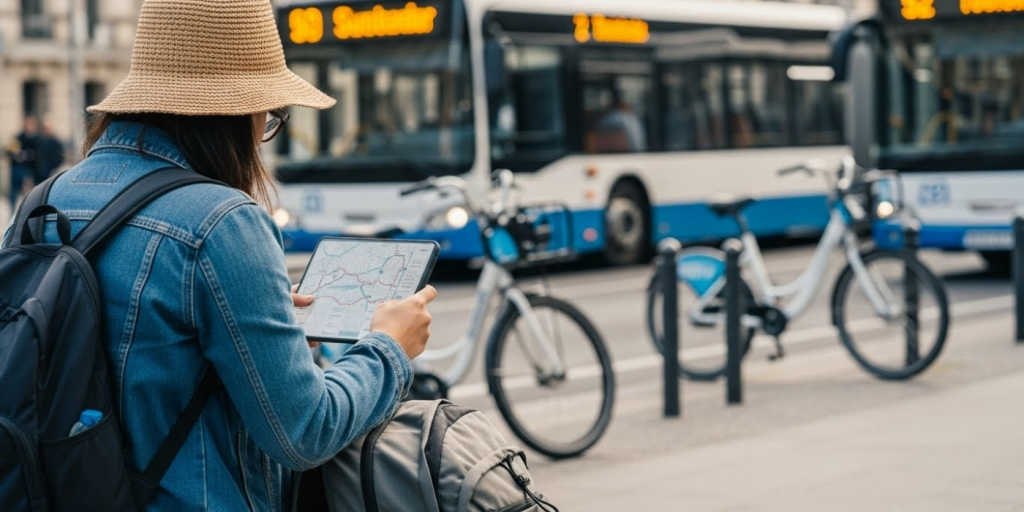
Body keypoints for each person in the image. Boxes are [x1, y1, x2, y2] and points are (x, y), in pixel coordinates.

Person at [1, 1, 435, 511]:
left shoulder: (45, 200)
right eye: (269, 115)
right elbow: (304, 432)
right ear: (233, 113)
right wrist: (388, 347)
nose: (263, 133)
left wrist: (269, 328)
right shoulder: (221, 222)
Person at [5, 115, 38, 209]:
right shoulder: (19, 137)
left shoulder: (36, 138)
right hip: (18, 168)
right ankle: (13, 209)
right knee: (14, 192)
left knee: (30, 193)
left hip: (30, 169)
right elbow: (10, 151)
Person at [33, 116, 65, 184]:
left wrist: (55, 166)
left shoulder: (55, 142)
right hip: (38, 171)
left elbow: (60, 155)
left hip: (52, 169)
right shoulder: (37, 140)